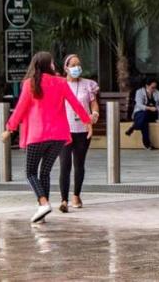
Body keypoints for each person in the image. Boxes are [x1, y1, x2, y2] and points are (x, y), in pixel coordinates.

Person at [1, 51, 91, 223]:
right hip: (58, 137)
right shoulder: (61, 82)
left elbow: (20, 108)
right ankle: (43, 212)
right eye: (52, 63)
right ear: (47, 65)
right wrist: (87, 121)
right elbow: (75, 103)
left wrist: (9, 128)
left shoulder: (30, 84)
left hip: (37, 135)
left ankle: (43, 203)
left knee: (30, 172)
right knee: (45, 173)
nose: (54, 66)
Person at [57, 53, 99, 213]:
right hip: (64, 130)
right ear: (66, 68)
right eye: (73, 65)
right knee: (64, 164)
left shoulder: (88, 85)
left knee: (79, 164)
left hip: (82, 129)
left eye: (78, 64)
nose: (76, 68)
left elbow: (93, 104)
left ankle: (76, 195)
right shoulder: (60, 85)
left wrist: (94, 114)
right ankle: (63, 199)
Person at [125, 77, 159, 149]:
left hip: (152, 114)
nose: (154, 89)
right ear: (147, 86)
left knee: (144, 117)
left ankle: (135, 126)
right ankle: (147, 144)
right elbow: (139, 105)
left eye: (155, 87)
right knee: (144, 119)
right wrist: (149, 108)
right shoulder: (139, 92)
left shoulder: (157, 92)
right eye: (152, 87)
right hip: (140, 113)